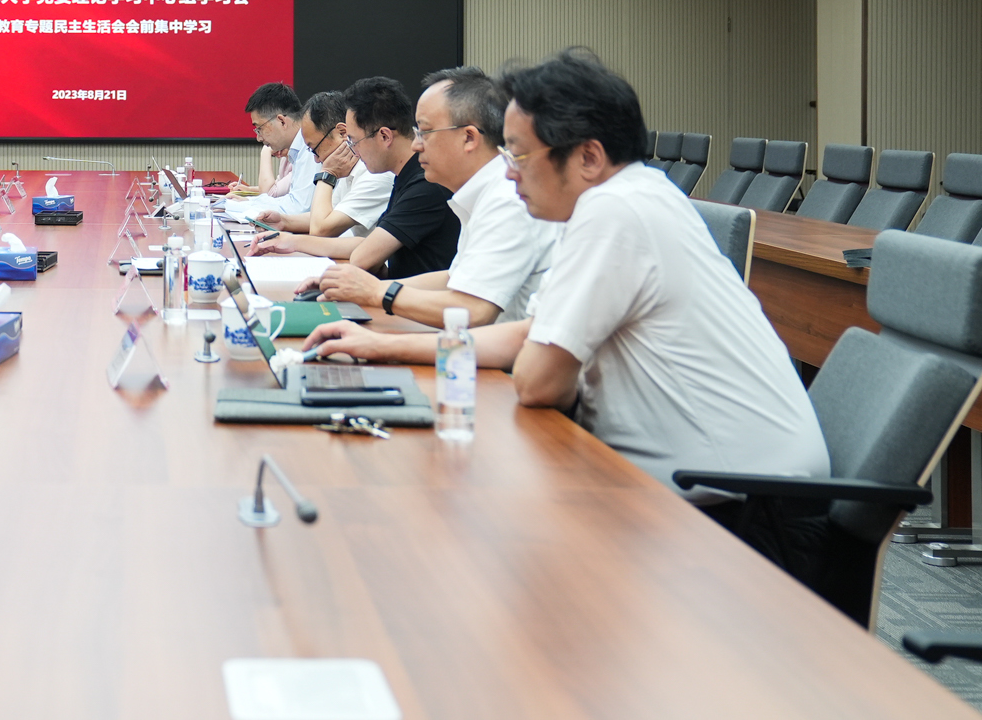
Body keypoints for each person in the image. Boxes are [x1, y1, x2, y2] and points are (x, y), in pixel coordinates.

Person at [303, 50, 829, 514]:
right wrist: (380, 346)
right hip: (708, 485)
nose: (508, 172)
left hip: (737, 507)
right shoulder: (627, 198)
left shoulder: (616, 212)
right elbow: (528, 334)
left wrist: (391, 318)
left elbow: (538, 381)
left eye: (518, 154)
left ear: (589, 157)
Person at [286, 68, 556, 325]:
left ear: (469, 138)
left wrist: (376, 292)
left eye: (425, 132)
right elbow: (455, 278)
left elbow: (474, 310)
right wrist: (357, 286)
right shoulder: (477, 194)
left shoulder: (505, 199)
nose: (416, 144)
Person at [250, 76, 459, 283]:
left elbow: (360, 253)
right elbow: (366, 243)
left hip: (407, 299)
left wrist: (327, 173)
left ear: (385, 136)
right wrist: (290, 239)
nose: (352, 149)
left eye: (353, 140)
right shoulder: (403, 175)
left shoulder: (422, 182)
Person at [257, 91, 393, 238]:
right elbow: (325, 216)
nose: (316, 159)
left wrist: (327, 174)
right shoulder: (348, 169)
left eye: (315, 149)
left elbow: (320, 229)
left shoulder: (375, 174)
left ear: (342, 133)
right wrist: (283, 221)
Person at [235, 83, 313, 217]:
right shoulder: (295, 149)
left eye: (260, 128)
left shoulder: (310, 148)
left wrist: (247, 205)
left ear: (282, 121)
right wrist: (248, 202)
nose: (259, 138)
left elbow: (299, 208)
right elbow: (291, 200)